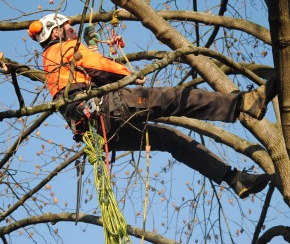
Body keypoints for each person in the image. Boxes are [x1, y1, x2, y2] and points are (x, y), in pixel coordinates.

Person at [28, 13, 278, 199]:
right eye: (68, 27)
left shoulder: (54, 65)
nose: (72, 30)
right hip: (106, 107)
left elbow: (88, 72)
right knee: (176, 98)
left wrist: (94, 48)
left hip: (101, 132)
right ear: (56, 32)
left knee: (170, 140)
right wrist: (127, 74)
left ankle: (234, 178)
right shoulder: (62, 49)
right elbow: (98, 66)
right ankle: (246, 102)